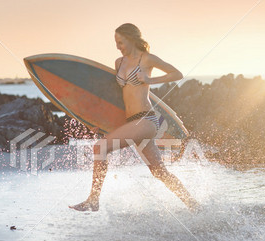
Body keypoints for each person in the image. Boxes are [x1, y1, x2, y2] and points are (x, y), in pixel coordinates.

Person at [69, 23, 199, 212]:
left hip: (146, 120)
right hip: (131, 122)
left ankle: (93, 199)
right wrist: (99, 122)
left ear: (131, 39)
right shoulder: (118, 63)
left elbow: (176, 74)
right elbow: (115, 98)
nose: (117, 46)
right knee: (159, 171)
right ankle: (193, 204)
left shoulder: (146, 59)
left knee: (100, 147)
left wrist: (150, 80)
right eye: (116, 42)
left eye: (120, 42)